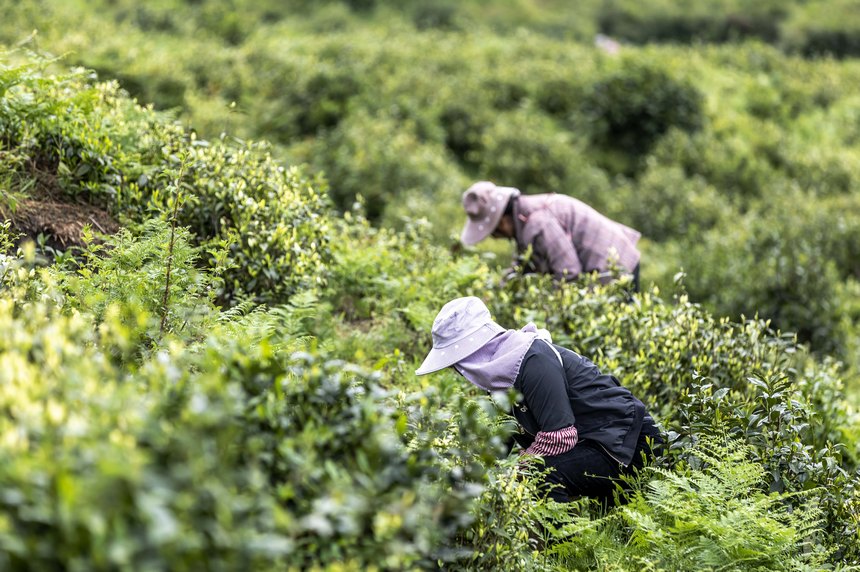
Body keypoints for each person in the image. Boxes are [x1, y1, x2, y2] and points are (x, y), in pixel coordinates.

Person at [415, 296, 662, 503]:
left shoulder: (534, 360)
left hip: (625, 442)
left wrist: (517, 472)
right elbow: (501, 440)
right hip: (595, 443)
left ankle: (560, 556)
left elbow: (560, 436)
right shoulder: (501, 376)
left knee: (539, 474)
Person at [460, 181, 642, 290]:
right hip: (611, 264)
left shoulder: (538, 221)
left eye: (493, 232)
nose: (494, 237)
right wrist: (499, 287)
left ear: (501, 222)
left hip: (617, 266)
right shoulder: (524, 216)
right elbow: (526, 263)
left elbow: (568, 272)